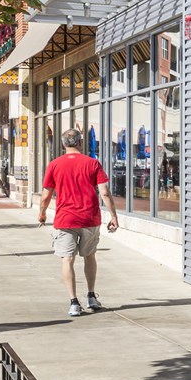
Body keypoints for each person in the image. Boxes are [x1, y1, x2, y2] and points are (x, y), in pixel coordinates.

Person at [38, 127, 119, 318]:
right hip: (89, 218)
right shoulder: (92, 163)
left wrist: (42, 213)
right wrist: (114, 216)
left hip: (65, 218)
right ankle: (91, 296)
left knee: (67, 259)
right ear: (81, 143)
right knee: (89, 256)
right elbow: (105, 192)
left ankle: (74, 302)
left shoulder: (54, 165)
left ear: (63, 144)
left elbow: (46, 194)